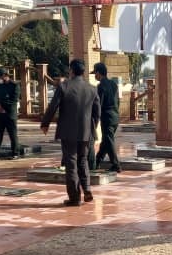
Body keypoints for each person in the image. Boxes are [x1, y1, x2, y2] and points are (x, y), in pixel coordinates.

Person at [40, 59, 100, 206]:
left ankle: (74, 197)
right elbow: (97, 113)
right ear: (83, 72)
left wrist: (45, 123)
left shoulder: (64, 86)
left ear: (71, 70)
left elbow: (53, 106)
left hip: (67, 132)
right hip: (85, 132)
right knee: (83, 161)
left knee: (71, 163)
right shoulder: (92, 89)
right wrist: (91, 127)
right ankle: (87, 189)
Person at [93, 62, 121, 172]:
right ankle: (97, 161)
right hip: (115, 116)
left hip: (107, 117)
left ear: (98, 73)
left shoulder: (101, 86)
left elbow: (99, 104)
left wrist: (95, 118)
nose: (94, 76)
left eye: (95, 73)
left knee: (109, 141)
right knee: (106, 140)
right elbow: (118, 101)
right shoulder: (114, 84)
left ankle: (116, 165)